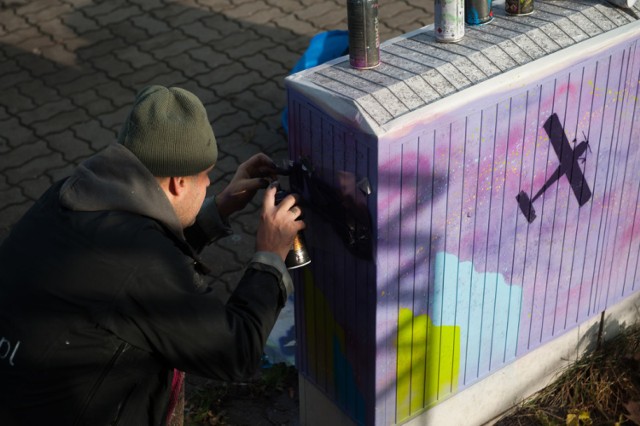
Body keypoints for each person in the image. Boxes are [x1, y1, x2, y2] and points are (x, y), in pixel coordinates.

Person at [0, 85, 305, 425]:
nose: (208, 184)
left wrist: (218, 209)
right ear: (178, 183)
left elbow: (134, 263)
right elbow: (237, 352)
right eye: (205, 176)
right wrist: (269, 256)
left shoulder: (70, 195)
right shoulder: (139, 264)